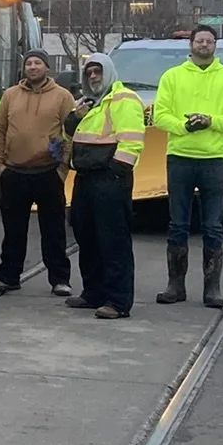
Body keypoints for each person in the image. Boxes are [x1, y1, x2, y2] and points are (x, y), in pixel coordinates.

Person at [153, 23, 223, 309]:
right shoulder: (172, 76)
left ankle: (212, 287)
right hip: (180, 157)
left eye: (208, 41)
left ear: (215, 46)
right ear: (190, 45)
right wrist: (184, 126)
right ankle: (175, 284)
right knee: (177, 224)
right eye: (199, 41)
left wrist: (210, 121)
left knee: (213, 225)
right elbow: (160, 115)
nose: (203, 45)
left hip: (214, 159)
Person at [0, 49, 77, 296]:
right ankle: (8, 277)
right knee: (13, 231)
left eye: (38, 63)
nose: (33, 67)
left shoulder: (62, 97)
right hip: (14, 172)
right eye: (29, 63)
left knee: (54, 231)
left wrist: (62, 169)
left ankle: (60, 279)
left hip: (48, 172)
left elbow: (70, 134)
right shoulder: (10, 95)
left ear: (47, 67)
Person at [65, 52, 145, 318]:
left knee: (113, 241)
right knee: (86, 236)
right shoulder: (86, 102)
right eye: (89, 73)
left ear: (108, 71)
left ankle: (118, 301)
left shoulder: (125, 99)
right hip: (85, 177)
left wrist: (116, 171)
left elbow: (132, 140)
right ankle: (93, 293)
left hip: (110, 179)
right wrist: (76, 116)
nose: (93, 77)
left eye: (97, 71)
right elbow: (69, 131)